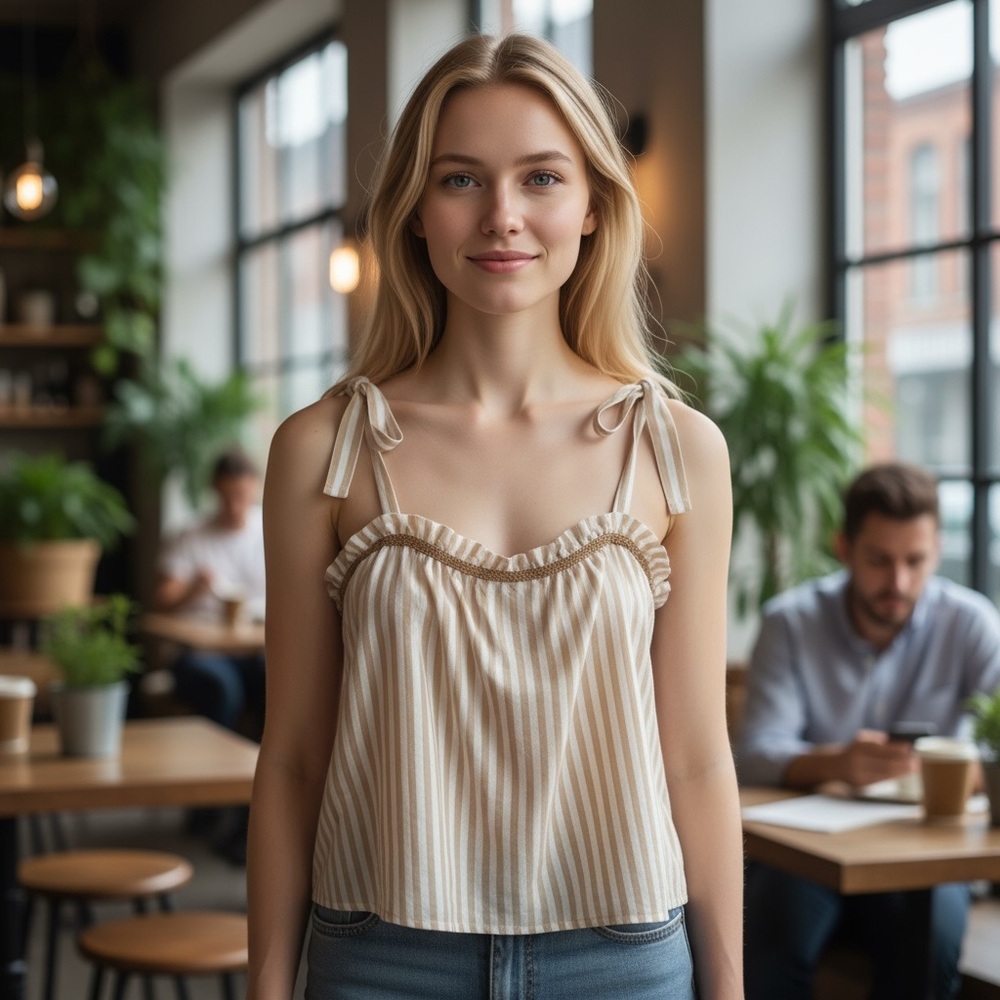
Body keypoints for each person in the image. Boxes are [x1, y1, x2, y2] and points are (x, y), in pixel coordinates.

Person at [247, 32, 742, 1000]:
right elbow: (295, 758)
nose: (503, 217)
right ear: (415, 213)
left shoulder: (677, 447)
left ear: (594, 205)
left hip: (623, 957)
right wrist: (267, 986)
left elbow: (693, 756)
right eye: (461, 180)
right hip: (380, 954)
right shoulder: (323, 448)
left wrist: (724, 988)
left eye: (542, 178)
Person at [736, 461, 1000, 1000]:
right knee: (771, 938)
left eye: (916, 561)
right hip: (804, 854)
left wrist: (964, 771)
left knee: (932, 948)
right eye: (880, 561)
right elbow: (754, 753)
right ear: (844, 547)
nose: (898, 583)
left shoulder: (970, 622)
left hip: (920, 854)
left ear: (936, 550)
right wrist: (834, 763)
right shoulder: (791, 622)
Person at [155, 447, 266, 738]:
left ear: (255, 487)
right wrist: (193, 590)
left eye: (240, 496)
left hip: (255, 649)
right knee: (222, 688)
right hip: (201, 652)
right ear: (215, 490)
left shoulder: (269, 530)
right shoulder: (191, 536)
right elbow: (163, 600)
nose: (233, 506)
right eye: (227, 497)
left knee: (280, 682)